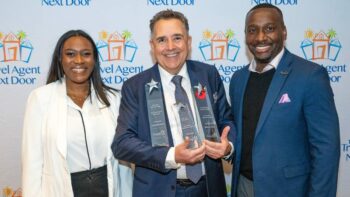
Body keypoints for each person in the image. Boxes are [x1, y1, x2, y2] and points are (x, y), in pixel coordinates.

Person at [111, 9, 235, 197]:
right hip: (158, 190)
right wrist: (171, 156)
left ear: (189, 41)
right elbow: (122, 144)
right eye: (162, 40)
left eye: (177, 38)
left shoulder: (208, 75)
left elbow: (227, 121)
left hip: (209, 189)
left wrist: (228, 147)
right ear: (152, 45)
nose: (170, 47)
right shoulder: (135, 87)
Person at [229, 3, 340, 197]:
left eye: (269, 28)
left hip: (289, 190)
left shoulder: (310, 76)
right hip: (243, 187)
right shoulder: (238, 79)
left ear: (284, 32)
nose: (261, 37)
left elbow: (326, 149)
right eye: (252, 30)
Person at [21, 29, 133, 197]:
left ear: (94, 59)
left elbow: (124, 160)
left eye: (86, 54)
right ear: (60, 59)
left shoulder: (113, 98)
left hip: (108, 187)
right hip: (62, 189)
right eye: (70, 54)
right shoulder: (40, 99)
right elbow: (32, 163)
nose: (79, 60)